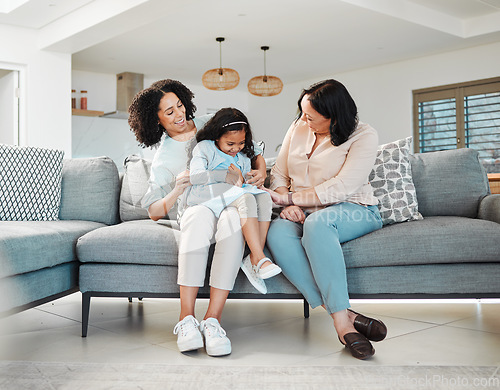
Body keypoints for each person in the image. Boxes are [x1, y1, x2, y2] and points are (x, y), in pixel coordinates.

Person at [128, 79, 267, 357]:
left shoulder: (208, 123)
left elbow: (253, 147)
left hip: (229, 201)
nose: (179, 114)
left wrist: (261, 170)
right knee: (197, 221)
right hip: (196, 206)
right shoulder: (164, 159)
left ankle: (213, 320)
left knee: (231, 223)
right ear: (155, 119)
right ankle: (186, 320)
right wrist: (178, 188)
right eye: (169, 112)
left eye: (179, 105)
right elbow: (154, 211)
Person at [264, 79, 387, 360]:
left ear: (333, 116)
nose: (303, 121)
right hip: (302, 209)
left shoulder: (363, 135)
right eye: (302, 113)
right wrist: (284, 199)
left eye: (311, 117)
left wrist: (292, 199)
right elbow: (280, 173)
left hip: (353, 208)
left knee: (318, 225)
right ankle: (345, 315)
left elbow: (342, 187)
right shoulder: (298, 127)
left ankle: (341, 326)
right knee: (276, 234)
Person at [187, 108, 282, 294]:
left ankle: (254, 260)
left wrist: (261, 171)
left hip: (237, 190)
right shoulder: (205, 147)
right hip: (209, 192)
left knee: (264, 198)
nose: (236, 148)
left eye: (240, 143)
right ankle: (260, 257)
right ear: (216, 136)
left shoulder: (244, 145)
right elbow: (195, 176)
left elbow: (258, 154)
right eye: (230, 143)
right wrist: (226, 175)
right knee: (245, 198)